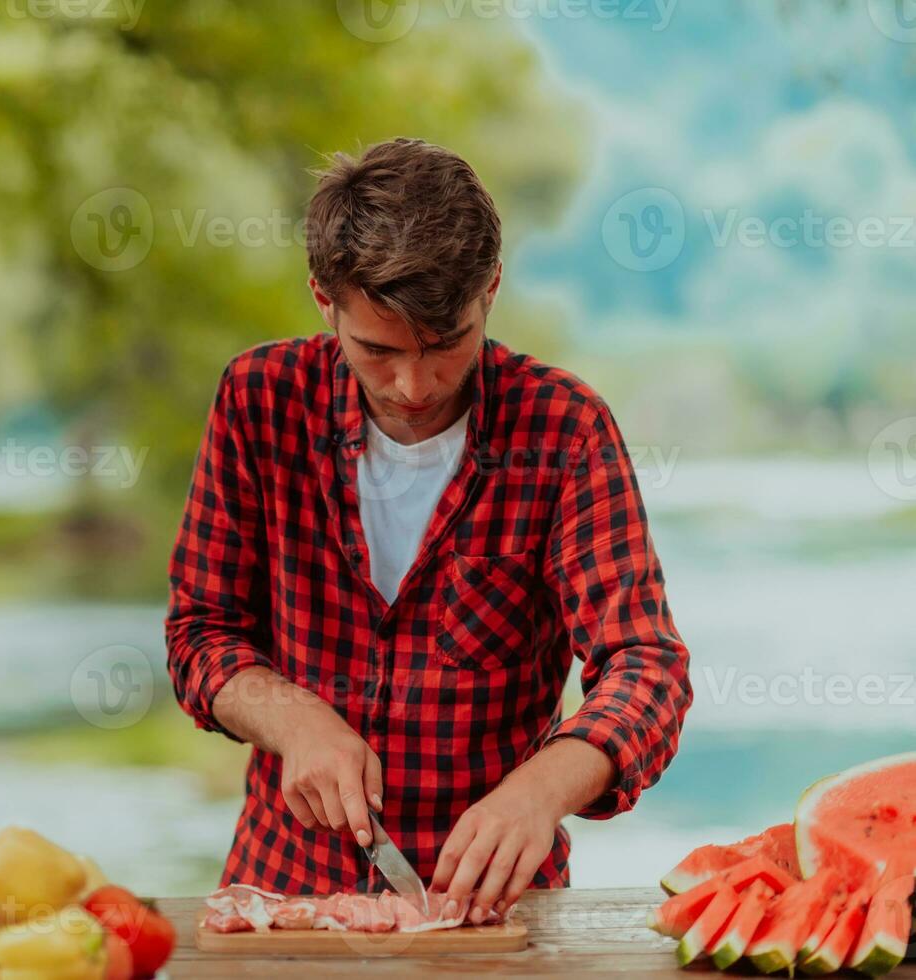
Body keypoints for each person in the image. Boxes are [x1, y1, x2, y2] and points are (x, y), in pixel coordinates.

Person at [165, 137, 693, 924]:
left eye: (447, 345)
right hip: (283, 898)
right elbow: (200, 633)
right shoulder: (258, 401)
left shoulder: (565, 430)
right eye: (378, 351)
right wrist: (292, 716)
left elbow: (647, 667)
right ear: (324, 299)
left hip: (495, 915)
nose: (414, 386)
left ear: (492, 290)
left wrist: (540, 791)